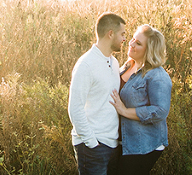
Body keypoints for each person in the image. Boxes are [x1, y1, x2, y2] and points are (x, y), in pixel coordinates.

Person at [68, 12, 128, 175]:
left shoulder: (114, 63)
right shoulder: (86, 65)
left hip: (112, 144)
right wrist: (92, 143)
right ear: (110, 34)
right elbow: (75, 109)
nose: (124, 39)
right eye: (122, 34)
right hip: (93, 147)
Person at [110, 24, 172, 175]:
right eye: (132, 39)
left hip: (142, 143)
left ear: (149, 50)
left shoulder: (157, 76)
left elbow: (160, 111)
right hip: (120, 140)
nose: (131, 44)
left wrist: (124, 111)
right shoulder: (126, 66)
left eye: (138, 43)